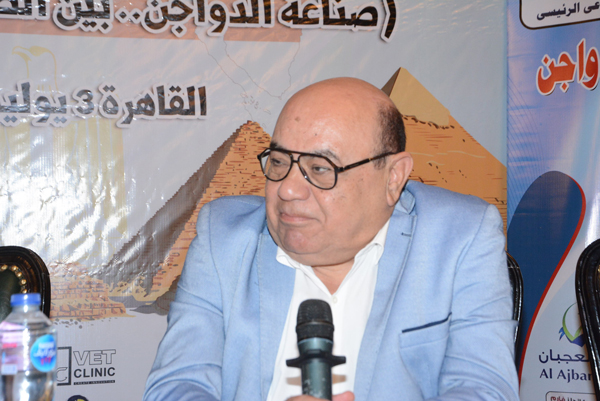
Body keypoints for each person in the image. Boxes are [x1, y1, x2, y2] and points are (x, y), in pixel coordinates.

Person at [143, 78, 519, 401]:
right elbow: (176, 387)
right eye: (279, 162)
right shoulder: (223, 237)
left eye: (320, 169)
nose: (288, 189)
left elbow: (484, 391)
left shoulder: (460, 239)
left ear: (393, 178)